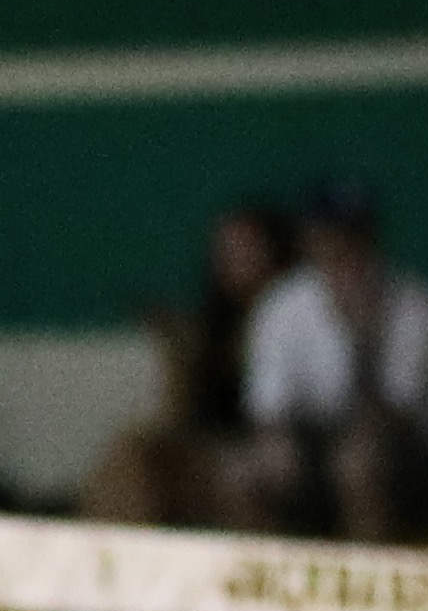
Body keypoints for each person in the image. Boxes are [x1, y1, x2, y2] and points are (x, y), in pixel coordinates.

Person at [237, 184, 428, 544]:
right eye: (329, 237)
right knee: (252, 472)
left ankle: (370, 578)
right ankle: (270, 579)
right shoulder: (284, 304)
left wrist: (362, 338)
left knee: (359, 463)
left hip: (415, 457)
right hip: (316, 446)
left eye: (352, 237)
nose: (341, 249)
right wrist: (276, 450)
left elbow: (395, 418)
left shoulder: (412, 304)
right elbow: (269, 412)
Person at [86, 201, 289, 534]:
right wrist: (179, 354)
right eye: (225, 250)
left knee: (242, 476)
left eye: (245, 248)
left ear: (273, 252)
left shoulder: (295, 315)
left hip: (274, 449)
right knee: (134, 454)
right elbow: (185, 416)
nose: (233, 260)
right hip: (211, 448)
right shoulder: (211, 326)